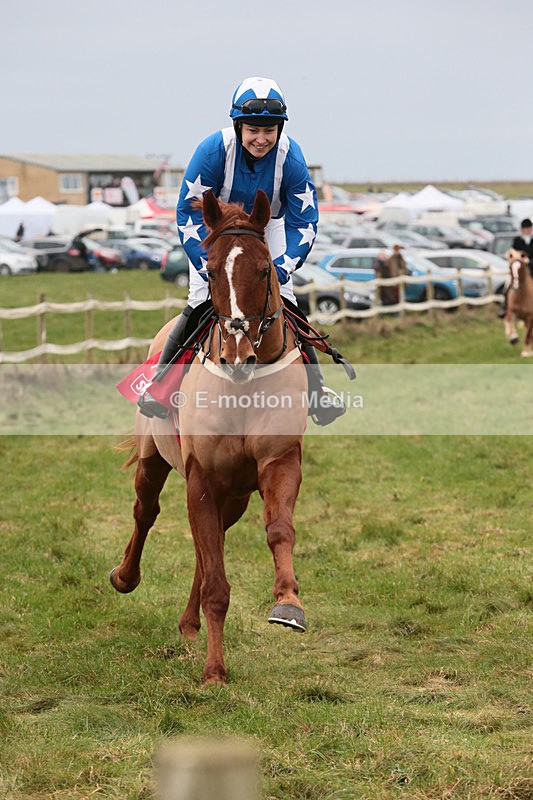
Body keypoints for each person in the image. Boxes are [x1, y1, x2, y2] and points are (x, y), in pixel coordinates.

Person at [138, 76, 345, 425]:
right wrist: (210, 265)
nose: (261, 139)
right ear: (238, 125)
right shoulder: (212, 150)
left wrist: (281, 267)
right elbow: (188, 210)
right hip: (218, 232)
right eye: (253, 130)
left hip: (269, 227)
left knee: (288, 301)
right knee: (199, 299)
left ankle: (317, 392)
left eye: (270, 130)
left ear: (280, 129)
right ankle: (161, 386)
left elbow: (304, 219)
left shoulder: (291, 157)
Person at [498, 218, 533, 318]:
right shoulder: (517, 241)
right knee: (507, 285)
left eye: (528, 228)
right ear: (522, 230)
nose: (527, 230)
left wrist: (529, 261)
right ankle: (504, 307)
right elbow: (512, 253)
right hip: (517, 269)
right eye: (525, 229)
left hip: (531, 269)